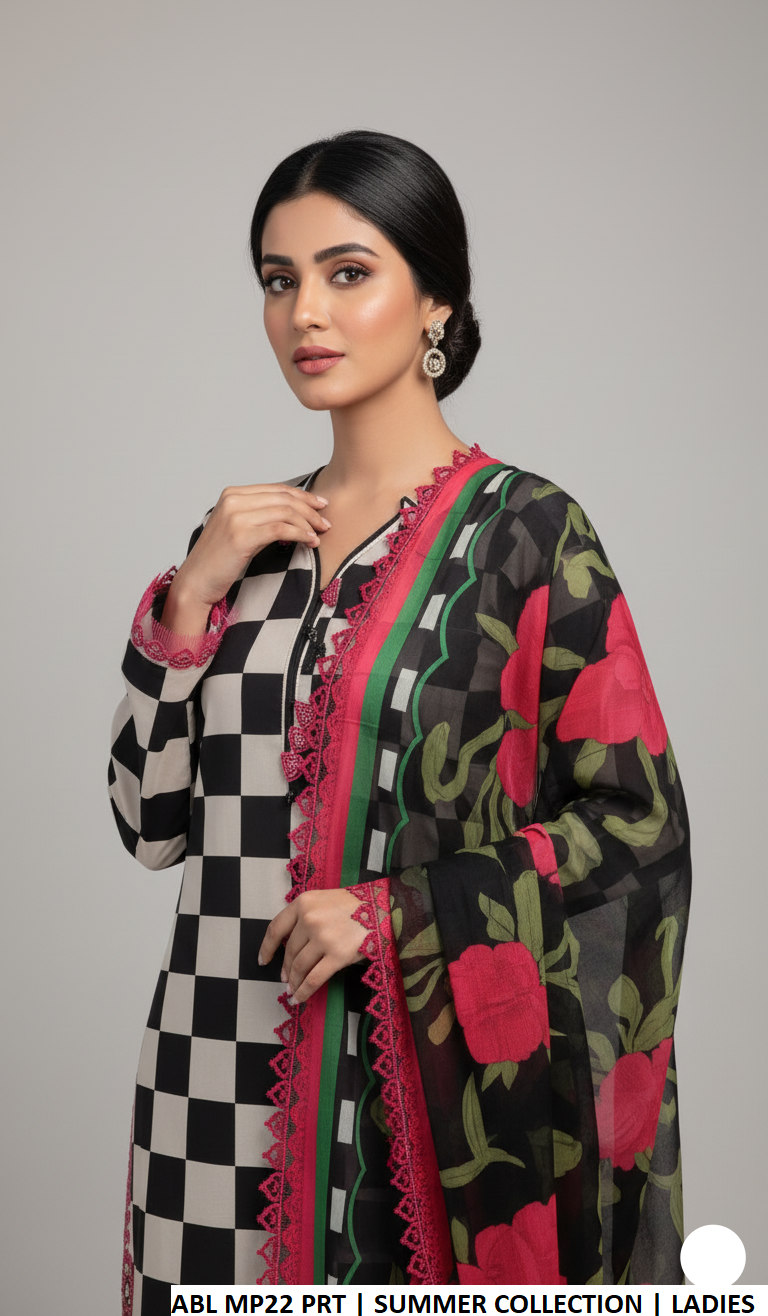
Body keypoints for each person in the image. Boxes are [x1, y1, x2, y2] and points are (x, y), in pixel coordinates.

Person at [109, 131, 691, 1310]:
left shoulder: (526, 535)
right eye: (279, 280)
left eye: (348, 272)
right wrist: (189, 596)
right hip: (205, 1078)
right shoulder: (241, 544)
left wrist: (397, 914)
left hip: (412, 1098)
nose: (305, 314)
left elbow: (637, 828)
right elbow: (148, 825)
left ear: (436, 301)